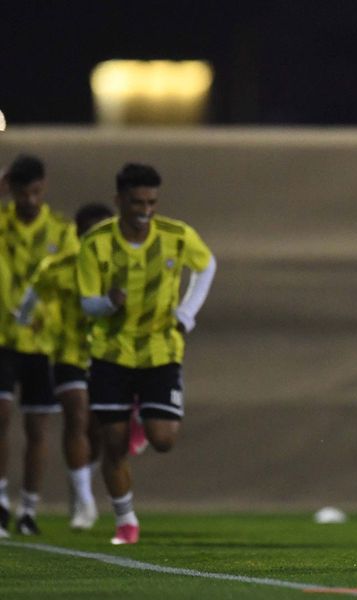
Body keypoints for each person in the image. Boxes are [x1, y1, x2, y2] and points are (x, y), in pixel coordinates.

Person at [77, 163, 216, 545]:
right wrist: (108, 303)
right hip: (111, 352)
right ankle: (126, 521)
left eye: (152, 202)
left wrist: (186, 314)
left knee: (164, 439)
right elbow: (87, 303)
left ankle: (143, 417)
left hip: (160, 348)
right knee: (113, 444)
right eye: (137, 202)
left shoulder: (175, 235)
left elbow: (207, 267)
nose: (145, 210)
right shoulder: (96, 242)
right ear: (119, 200)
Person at [16, 203, 115, 531]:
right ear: (79, 234)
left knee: (99, 429)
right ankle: (85, 501)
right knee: (76, 414)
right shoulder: (60, 267)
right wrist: (27, 320)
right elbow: (32, 294)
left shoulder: (120, 269)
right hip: (68, 354)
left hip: (107, 356)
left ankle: (81, 482)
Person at [0, 154, 78, 538]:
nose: (29, 200)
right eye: (21, 192)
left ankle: (28, 508)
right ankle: (0, 501)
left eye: (35, 191)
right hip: (1, 337)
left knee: (37, 427)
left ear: (43, 188)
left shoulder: (62, 231)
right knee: (0, 416)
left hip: (42, 341)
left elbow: (71, 277)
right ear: (10, 189)